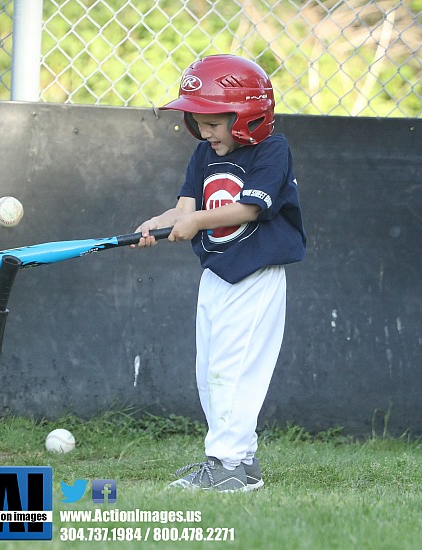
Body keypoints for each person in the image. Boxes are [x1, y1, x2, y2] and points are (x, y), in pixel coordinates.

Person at [133, 54, 306, 492]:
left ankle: (225, 464)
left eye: (213, 121)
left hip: (255, 275)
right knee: (210, 372)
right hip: (216, 275)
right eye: (198, 120)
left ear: (247, 116)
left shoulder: (272, 150)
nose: (203, 131)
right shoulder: (202, 154)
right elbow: (186, 209)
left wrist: (193, 224)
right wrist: (161, 222)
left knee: (233, 370)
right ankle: (240, 463)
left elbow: (251, 207)